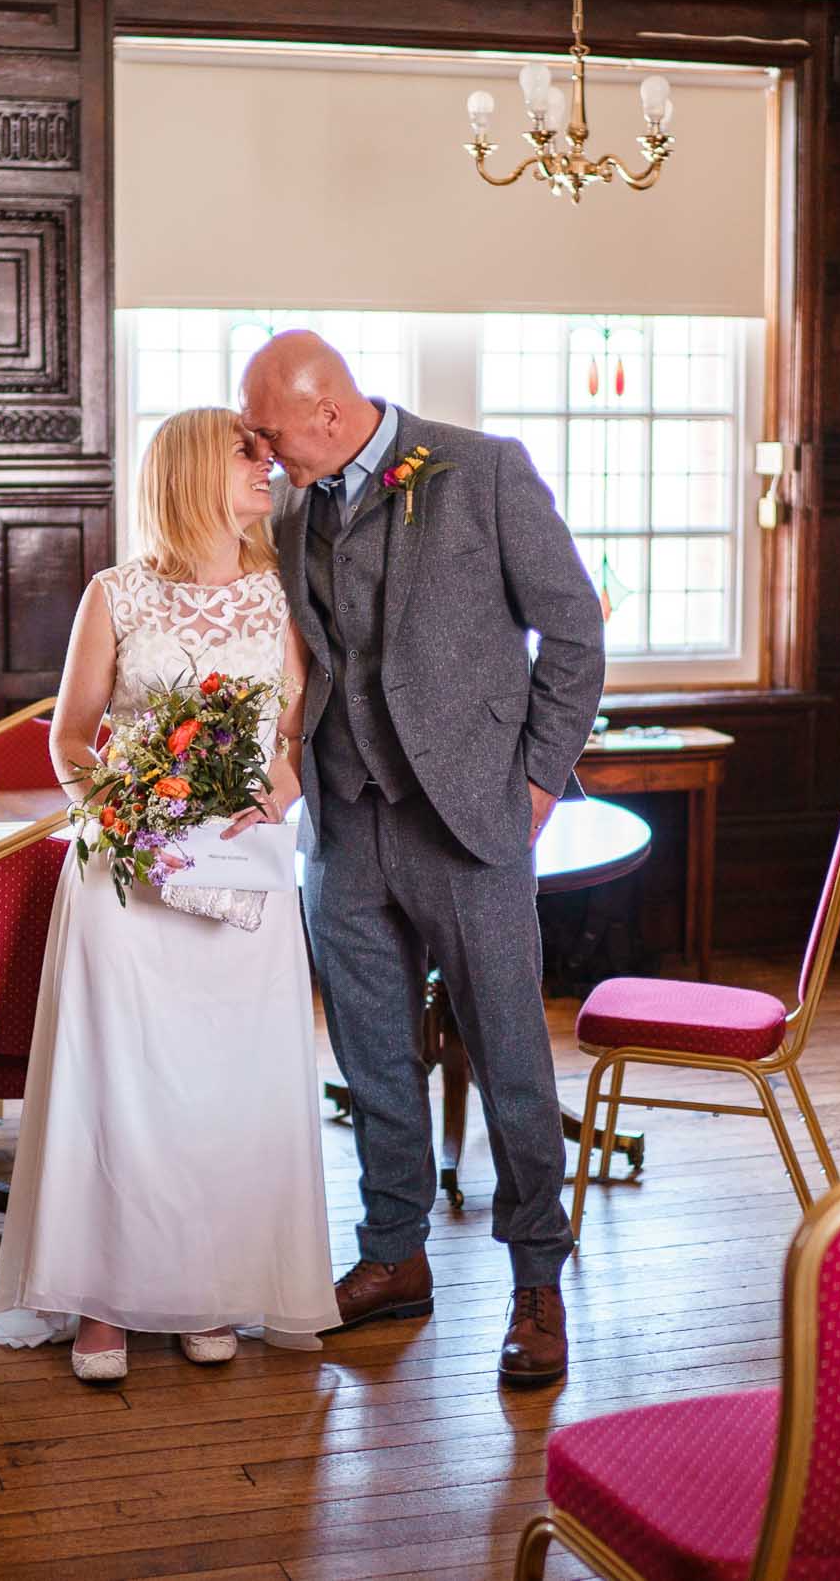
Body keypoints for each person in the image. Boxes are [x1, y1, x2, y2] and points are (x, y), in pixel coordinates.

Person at [240, 331, 605, 1388]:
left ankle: (536, 1277)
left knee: (508, 1055)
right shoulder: (291, 502)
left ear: (325, 410)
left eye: (268, 430)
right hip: (345, 825)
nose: (259, 449)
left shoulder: (481, 470)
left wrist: (534, 784)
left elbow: (572, 630)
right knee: (370, 1053)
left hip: (470, 821)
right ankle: (393, 1251)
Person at [0, 406, 341, 1382]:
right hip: (128, 877)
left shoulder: (284, 597)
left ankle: (210, 1286)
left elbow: (300, 736)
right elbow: (70, 738)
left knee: (227, 1081)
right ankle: (100, 1298)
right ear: (192, 471)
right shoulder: (115, 593)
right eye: (248, 455)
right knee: (121, 1078)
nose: (268, 471)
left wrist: (279, 785)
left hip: (242, 870)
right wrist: (124, 812)